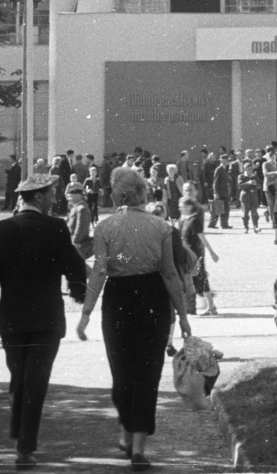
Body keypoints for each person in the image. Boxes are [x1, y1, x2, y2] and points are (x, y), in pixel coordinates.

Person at [77, 167, 192, 471]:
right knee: (148, 374)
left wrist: (86, 312)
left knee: (122, 372)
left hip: (118, 300)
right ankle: (138, 444)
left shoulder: (106, 228)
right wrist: (181, 316)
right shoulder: (161, 227)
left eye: (112, 190)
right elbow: (169, 274)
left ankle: (127, 432)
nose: (109, 194)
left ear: (120, 194)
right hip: (153, 298)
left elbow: (100, 271)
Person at [0, 174, 88, 471]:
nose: (54, 198)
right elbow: (74, 267)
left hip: (12, 318)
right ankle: (25, 446)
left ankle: (19, 427)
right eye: (50, 194)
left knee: (19, 374)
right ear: (37, 197)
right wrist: (78, 293)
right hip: (47, 319)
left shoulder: (0, 230)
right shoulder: (56, 227)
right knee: (36, 380)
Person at [65, 182, 94, 261]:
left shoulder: (81, 208)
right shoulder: (76, 207)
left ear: (77, 196)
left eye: (70, 197)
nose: (68, 199)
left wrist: (75, 242)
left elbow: (80, 227)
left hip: (78, 243)